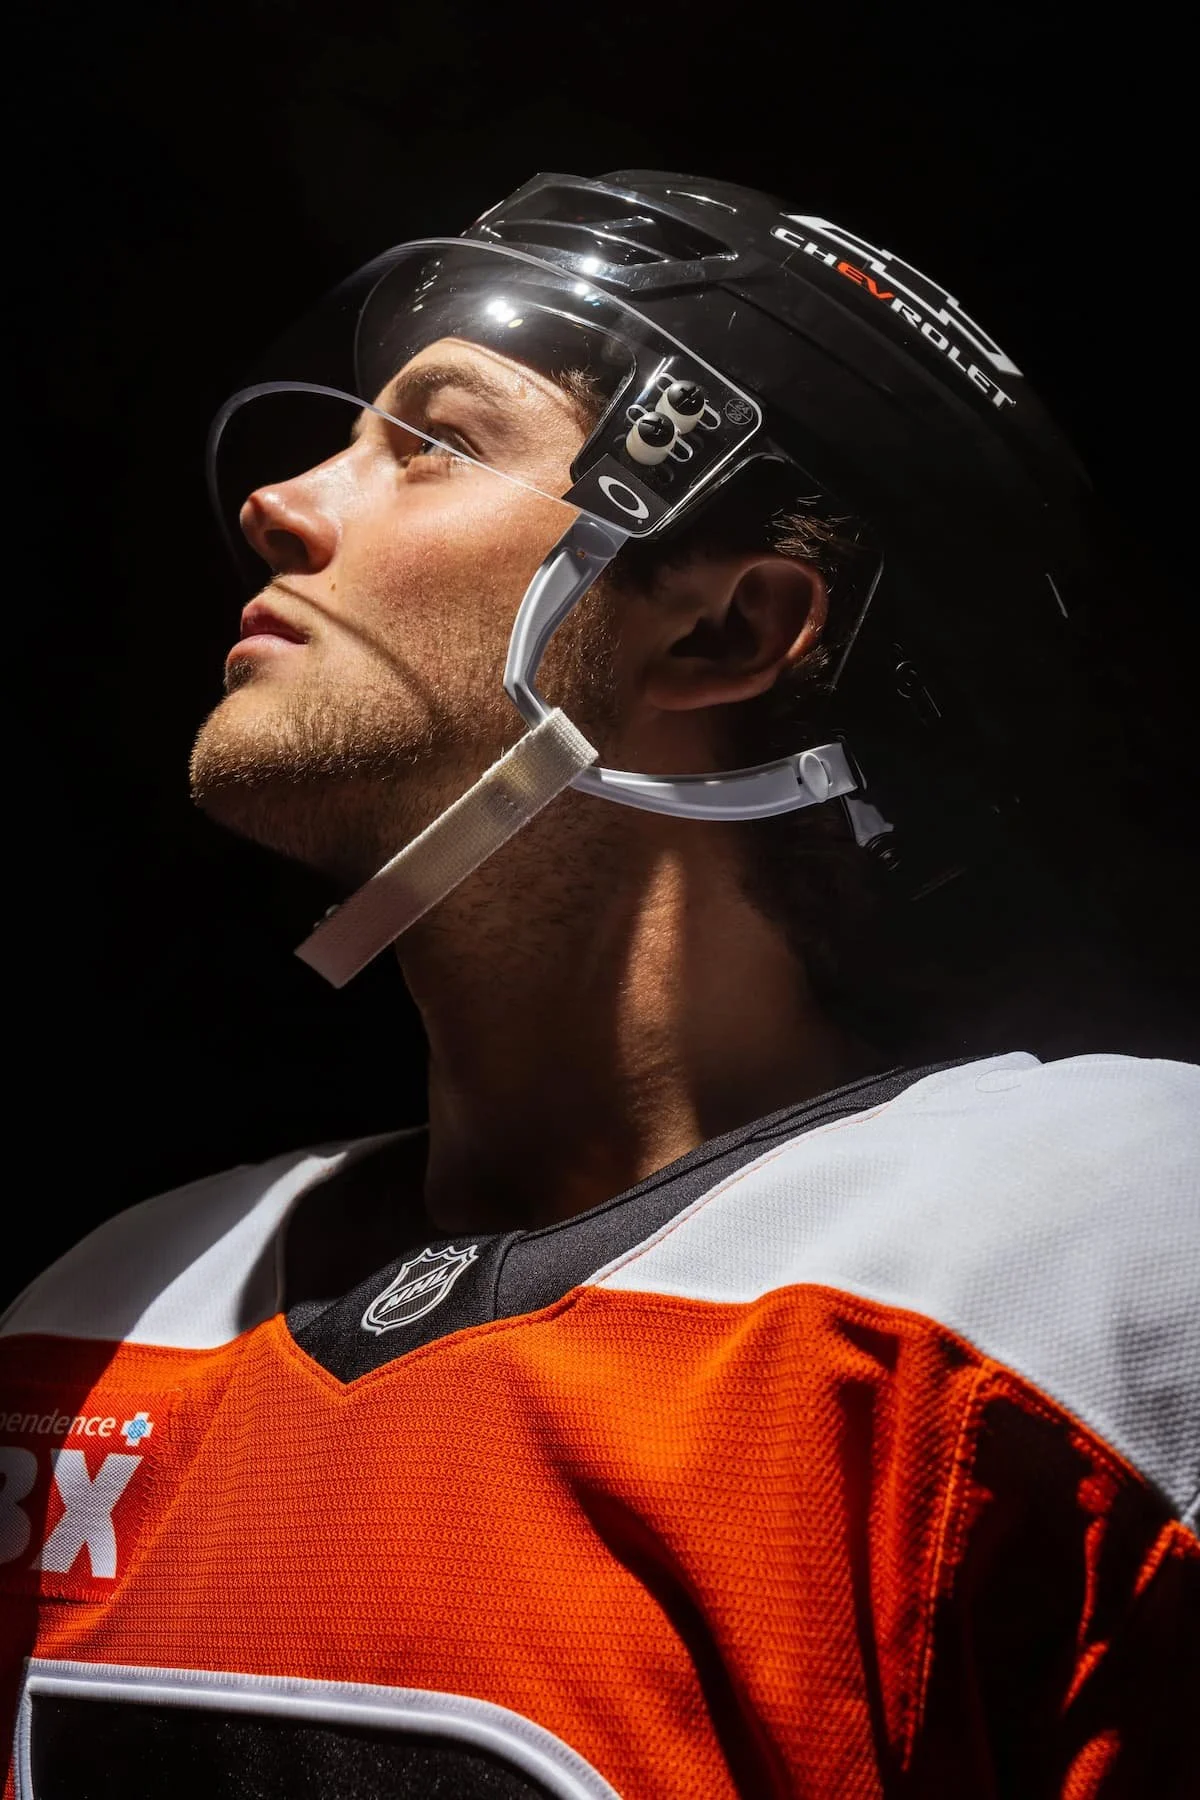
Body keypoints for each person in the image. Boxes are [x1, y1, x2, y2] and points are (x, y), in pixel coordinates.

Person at [2, 171, 1195, 1799]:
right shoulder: (99, 1313)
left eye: (432, 438)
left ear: (725, 631)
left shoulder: (1107, 1272)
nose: (279, 503)